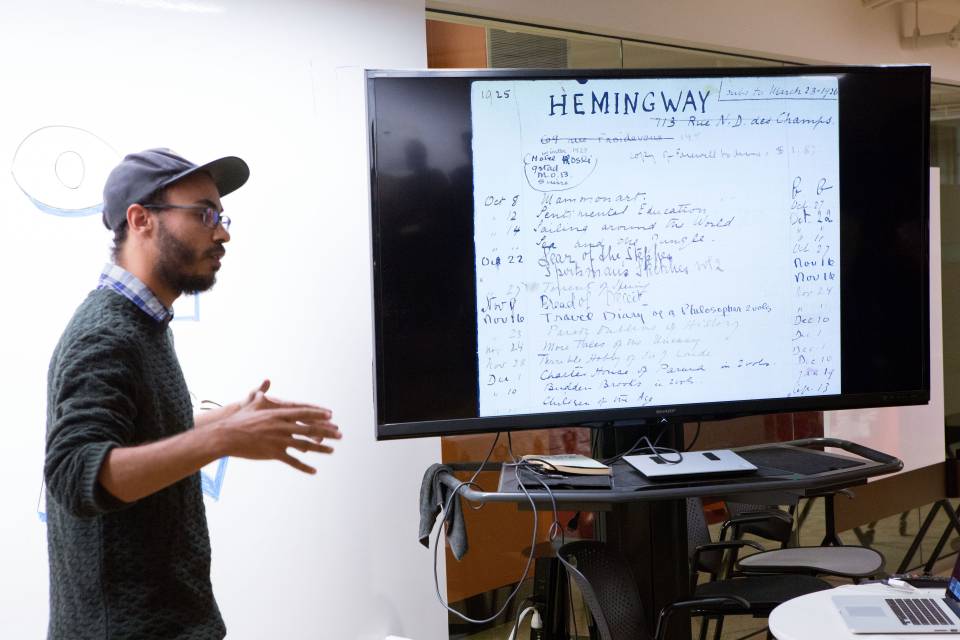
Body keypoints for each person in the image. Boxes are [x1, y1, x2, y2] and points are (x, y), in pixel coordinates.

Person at [43, 148, 341, 639]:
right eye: (204, 213)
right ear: (140, 220)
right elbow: (76, 473)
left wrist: (226, 420)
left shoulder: (141, 322)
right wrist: (222, 440)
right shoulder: (105, 335)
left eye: (221, 215)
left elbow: (136, 435)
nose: (222, 232)